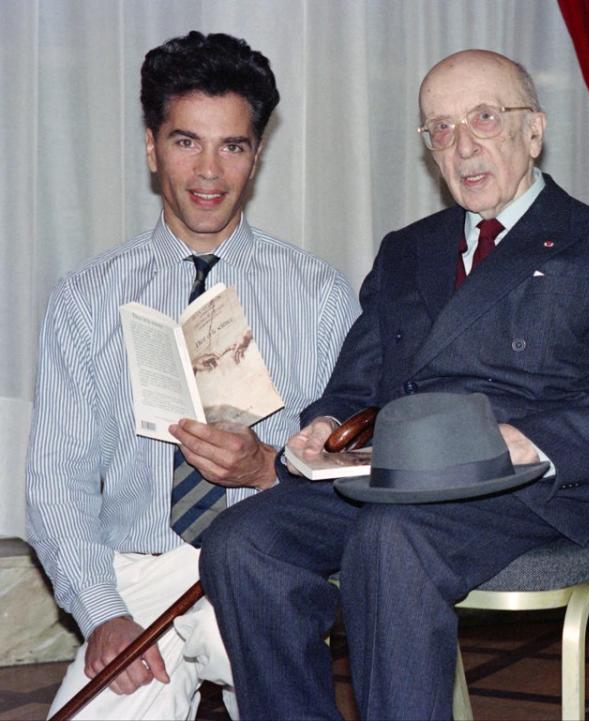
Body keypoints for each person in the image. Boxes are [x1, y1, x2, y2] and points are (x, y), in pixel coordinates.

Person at [199, 48, 589, 720]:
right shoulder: (408, 247)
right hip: (394, 473)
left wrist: (528, 440)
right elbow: (354, 380)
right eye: (440, 129)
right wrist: (326, 424)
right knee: (241, 542)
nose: (462, 145)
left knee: (392, 538)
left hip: (522, 486)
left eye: (483, 118)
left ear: (533, 131)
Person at [26, 31, 358, 720]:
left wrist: (270, 467)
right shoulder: (87, 296)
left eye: (232, 146)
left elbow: (354, 470)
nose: (209, 171)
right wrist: (101, 612)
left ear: (257, 155)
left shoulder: (320, 293)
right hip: (137, 576)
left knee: (268, 664)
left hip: (265, 564)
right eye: (186, 142)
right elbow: (57, 480)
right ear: (151, 147)